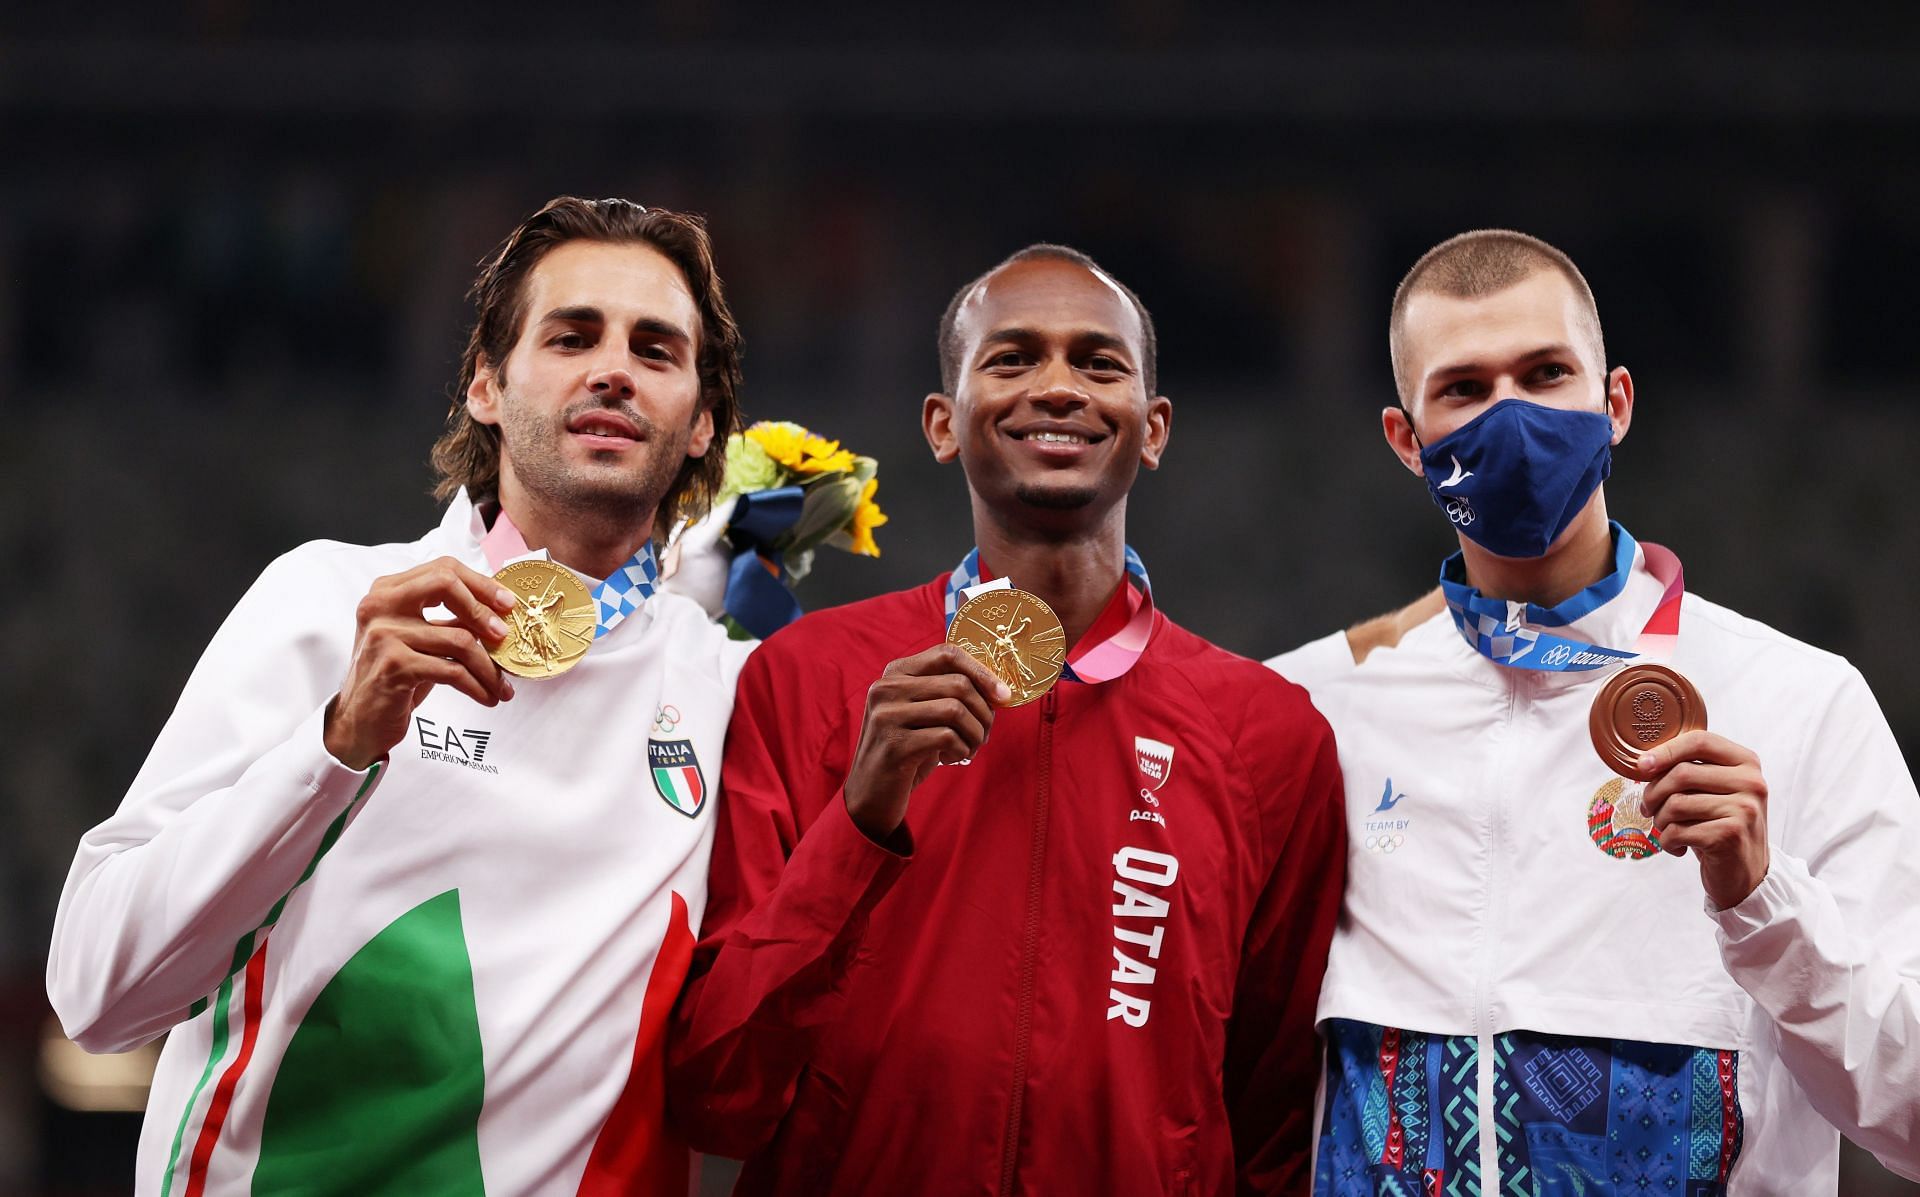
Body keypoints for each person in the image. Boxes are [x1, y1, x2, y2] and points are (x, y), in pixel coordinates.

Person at [47, 196, 751, 1196]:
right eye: (570, 335)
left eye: (656, 348)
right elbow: (96, 992)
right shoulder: (326, 602)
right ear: (485, 387)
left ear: (701, 426)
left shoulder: (728, 685)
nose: (612, 368)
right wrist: (335, 746)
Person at [668, 244, 1347, 1196]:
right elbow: (717, 1093)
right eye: (1014, 358)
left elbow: (1275, 1126)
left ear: (1153, 429)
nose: (1059, 387)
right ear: (943, 424)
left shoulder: (1271, 737)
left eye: (1099, 362)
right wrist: (859, 822)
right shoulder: (806, 681)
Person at [1268, 229, 1920, 1195]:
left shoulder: (1801, 700)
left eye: (1544, 374)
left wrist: (1761, 899)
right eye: (1464, 389)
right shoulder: (1311, 709)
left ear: (1613, 403)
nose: (1511, 418)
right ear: (1407, 440)